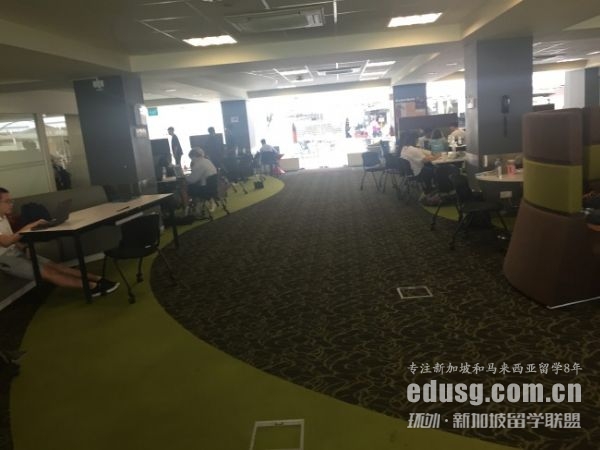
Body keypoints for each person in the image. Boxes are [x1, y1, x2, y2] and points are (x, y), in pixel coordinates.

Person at [0, 187, 119, 297]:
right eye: (7, 201)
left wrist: (24, 248)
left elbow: (12, 241)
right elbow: (6, 242)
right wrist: (31, 225)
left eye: (11, 201)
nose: (11, 204)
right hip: (5, 259)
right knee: (49, 273)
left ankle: (98, 279)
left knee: (57, 267)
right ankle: (93, 287)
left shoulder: (3, 217)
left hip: (15, 251)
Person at [185, 148, 218, 212]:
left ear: (193, 156)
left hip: (204, 189)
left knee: (185, 188)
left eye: (191, 158)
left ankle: (187, 207)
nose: (191, 160)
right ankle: (207, 202)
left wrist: (184, 177)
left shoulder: (198, 164)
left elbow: (192, 180)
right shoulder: (207, 161)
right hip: (212, 187)